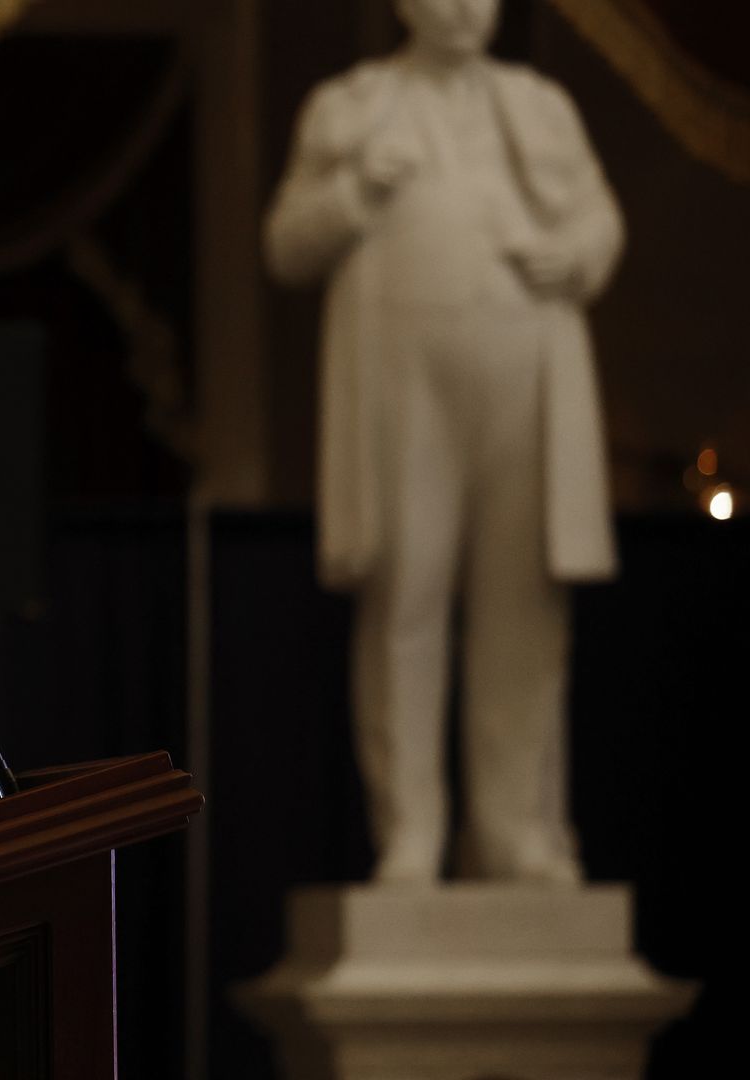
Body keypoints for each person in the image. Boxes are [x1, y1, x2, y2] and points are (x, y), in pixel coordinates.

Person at [264, 0, 622, 884]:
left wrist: (574, 254)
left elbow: (602, 220)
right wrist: (354, 193)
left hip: (524, 380)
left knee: (523, 610)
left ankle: (512, 829)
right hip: (404, 389)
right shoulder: (351, 105)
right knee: (406, 598)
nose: (466, 7)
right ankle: (411, 830)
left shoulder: (538, 105)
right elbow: (286, 246)